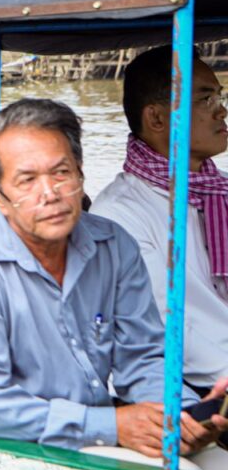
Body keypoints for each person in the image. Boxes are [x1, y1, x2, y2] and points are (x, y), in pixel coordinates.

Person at [0, 98, 227, 470]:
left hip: (88, 435)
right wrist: (113, 426)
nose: (50, 193)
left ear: (80, 175)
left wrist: (180, 414)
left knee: (218, 468)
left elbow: (141, 358)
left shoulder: (114, 246)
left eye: (61, 173)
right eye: (27, 180)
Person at [92, 46, 228, 396]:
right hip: (189, 388)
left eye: (219, 97)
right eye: (206, 100)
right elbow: (164, 324)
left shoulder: (220, 191)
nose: (222, 111)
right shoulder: (118, 214)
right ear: (156, 119)